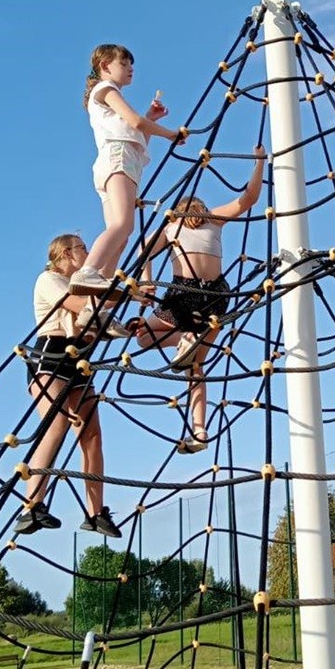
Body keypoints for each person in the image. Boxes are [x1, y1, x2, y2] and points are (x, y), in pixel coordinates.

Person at [135, 146, 268, 451]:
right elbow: (248, 199)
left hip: (185, 294)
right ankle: (200, 431)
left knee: (143, 337)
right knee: (195, 365)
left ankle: (184, 339)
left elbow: (143, 250)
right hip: (217, 296)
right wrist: (260, 163)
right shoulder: (213, 219)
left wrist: (147, 282)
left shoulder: (173, 226)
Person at [16, 234, 127, 537]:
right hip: (51, 357)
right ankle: (31, 506)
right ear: (66, 252)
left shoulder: (82, 283)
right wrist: (124, 296)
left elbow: (96, 313)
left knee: (92, 435)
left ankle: (95, 513)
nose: (88, 252)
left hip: (80, 360)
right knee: (56, 424)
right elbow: (79, 306)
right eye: (82, 248)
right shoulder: (49, 279)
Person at [69, 44, 187, 297]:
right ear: (105, 66)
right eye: (123, 64)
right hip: (117, 159)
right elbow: (134, 122)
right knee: (123, 225)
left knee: (121, 235)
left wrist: (151, 119)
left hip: (118, 161)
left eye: (131, 65)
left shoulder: (106, 101)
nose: (130, 69)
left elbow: (135, 137)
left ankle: (96, 299)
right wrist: (170, 134)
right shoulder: (106, 89)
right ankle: (88, 272)